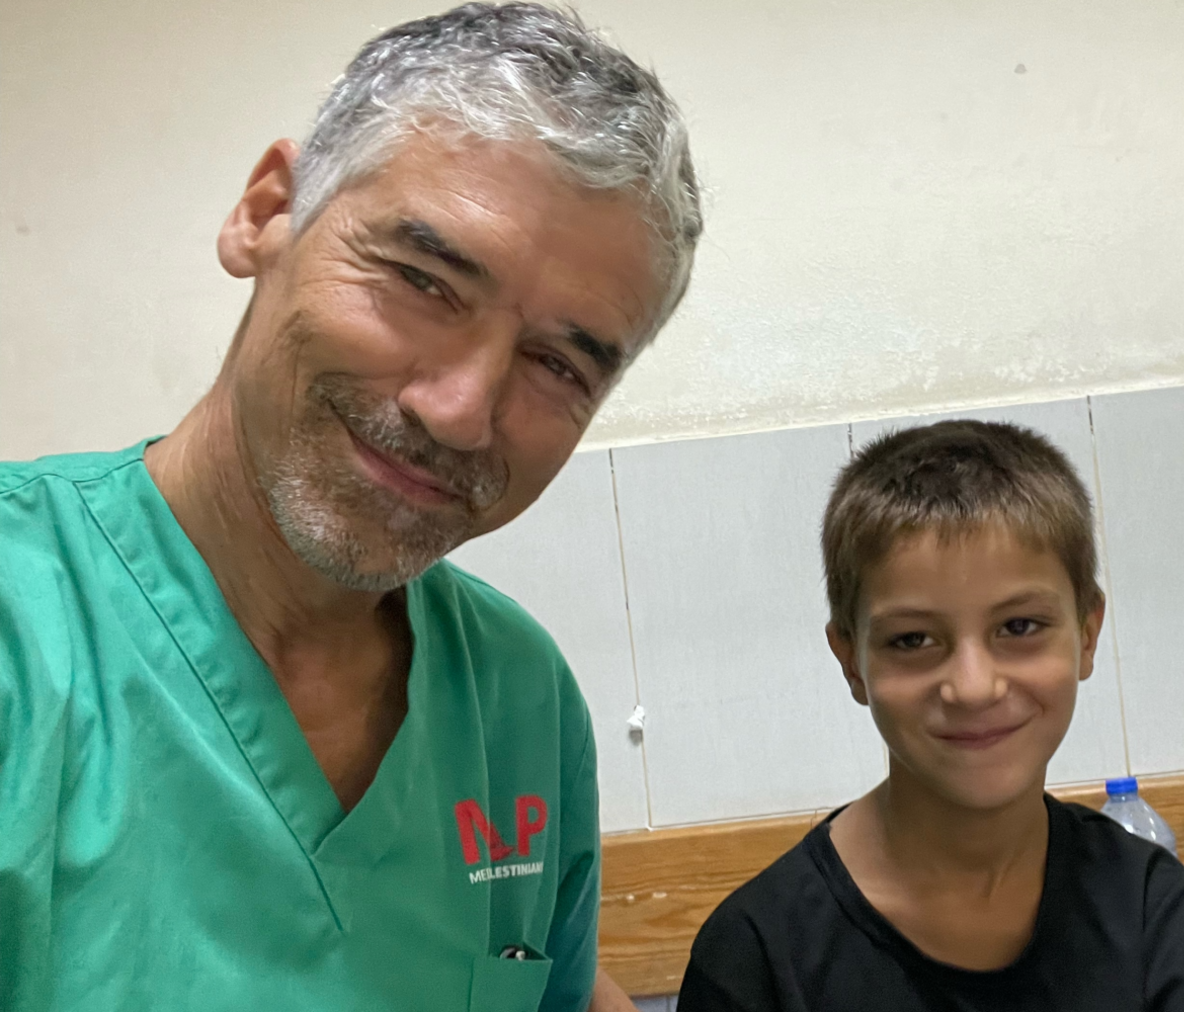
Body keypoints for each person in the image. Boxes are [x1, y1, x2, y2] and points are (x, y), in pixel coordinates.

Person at [0, 5, 701, 1010]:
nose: (461, 412)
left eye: (556, 363)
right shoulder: (25, 634)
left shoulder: (517, 699)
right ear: (268, 211)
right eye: (422, 280)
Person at [678, 421, 1184, 1011]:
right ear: (851, 659)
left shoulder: (1152, 915)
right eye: (912, 640)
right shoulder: (758, 960)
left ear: (1087, 633)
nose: (974, 687)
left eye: (1019, 627)